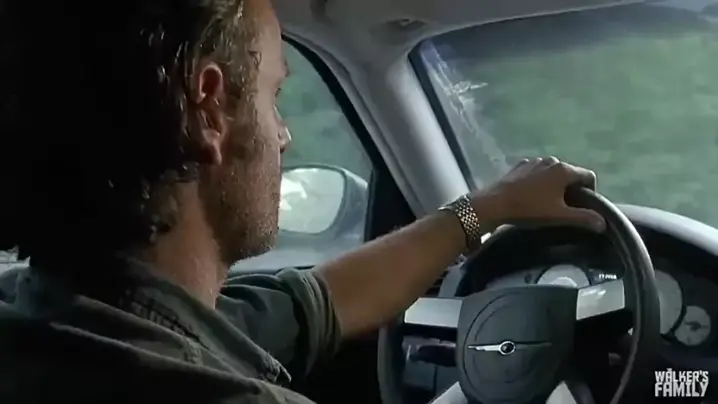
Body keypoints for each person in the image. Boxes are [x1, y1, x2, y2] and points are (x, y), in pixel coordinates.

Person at [0, 0, 606, 402]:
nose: (284, 134)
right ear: (210, 110)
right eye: (274, 95)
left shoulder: (54, 316)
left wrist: (486, 208)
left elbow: (321, 301)